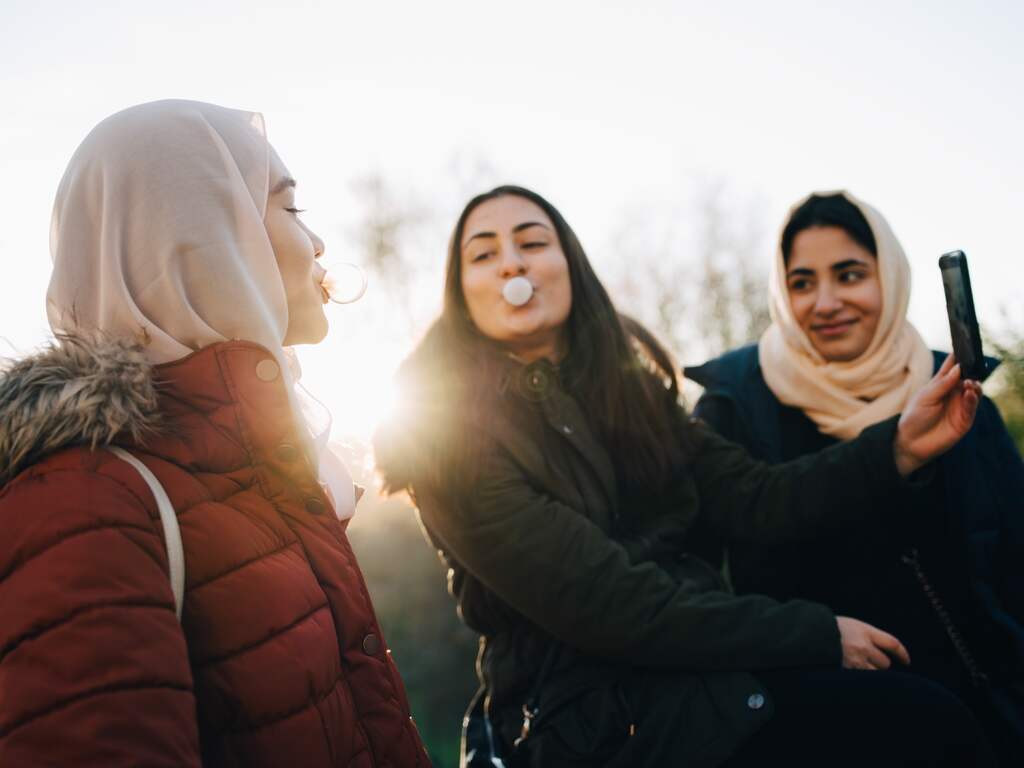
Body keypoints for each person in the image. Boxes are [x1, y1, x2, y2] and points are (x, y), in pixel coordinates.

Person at [373, 185, 992, 767]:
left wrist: (900, 448)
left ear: (571, 266)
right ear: (460, 289)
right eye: (484, 254)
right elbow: (612, 603)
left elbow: (756, 496)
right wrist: (816, 634)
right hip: (582, 720)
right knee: (924, 725)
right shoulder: (447, 437)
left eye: (533, 242)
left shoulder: (632, 393)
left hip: (695, 676)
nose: (512, 265)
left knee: (935, 714)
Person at [0, 100, 429, 767]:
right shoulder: (84, 500)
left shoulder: (269, 472)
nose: (317, 246)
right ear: (198, 233)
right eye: (290, 210)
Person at [687, 190, 1024, 764]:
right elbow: (697, 583)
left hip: (976, 713)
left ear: (889, 277)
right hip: (814, 723)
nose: (826, 302)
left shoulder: (955, 393)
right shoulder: (732, 406)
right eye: (801, 283)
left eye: (849, 274)